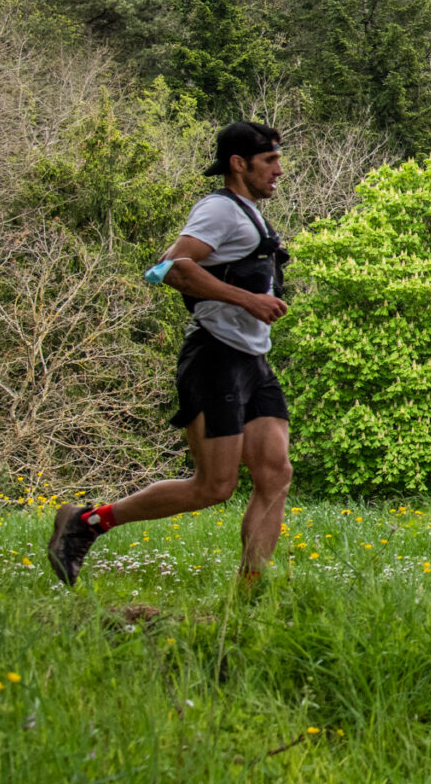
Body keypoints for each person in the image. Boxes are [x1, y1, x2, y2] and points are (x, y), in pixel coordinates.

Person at [46, 121, 295, 587]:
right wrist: (249, 300)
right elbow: (169, 267)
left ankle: (250, 593)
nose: (279, 170)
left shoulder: (250, 214)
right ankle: (88, 522)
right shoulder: (219, 210)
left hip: (252, 362)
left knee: (276, 473)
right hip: (215, 358)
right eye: (270, 162)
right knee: (213, 487)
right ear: (238, 164)